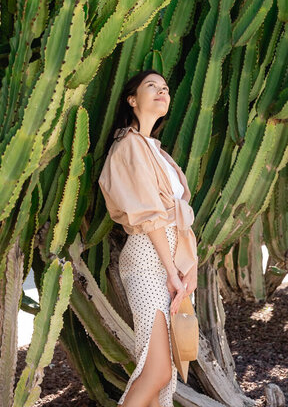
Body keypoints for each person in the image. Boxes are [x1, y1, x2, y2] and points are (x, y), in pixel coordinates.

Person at [98, 69, 198, 407]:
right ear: (132, 99)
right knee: (157, 373)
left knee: (162, 377)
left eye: (166, 89)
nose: (161, 92)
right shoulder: (128, 145)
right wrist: (172, 271)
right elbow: (149, 215)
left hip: (169, 260)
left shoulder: (158, 152)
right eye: (151, 87)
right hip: (146, 260)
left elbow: (178, 217)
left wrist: (189, 269)